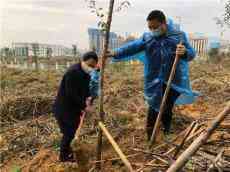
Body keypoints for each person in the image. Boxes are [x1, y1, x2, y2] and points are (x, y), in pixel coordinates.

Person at [107, 10, 197, 140]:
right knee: (153, 108)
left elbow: (192, 54)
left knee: (167, 106)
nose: (153, 30)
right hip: (153, 79)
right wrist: (115, 53)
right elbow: (132, 47)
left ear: (164, 24)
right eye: (150, 27)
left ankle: (166, 132)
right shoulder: (148, 37)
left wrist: (184, 52)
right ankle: (150, 136)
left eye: (155, 27)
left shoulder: (179, 36)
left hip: (172, 80)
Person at [53, 51, 99, 162]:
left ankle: (68, 152)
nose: (91, 68)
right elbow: (71, 94)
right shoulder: (72, 72)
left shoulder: (86, 73)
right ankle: (64, 157)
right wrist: (85, 106)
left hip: (73, 109)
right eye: (89, 65)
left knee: (72, 131)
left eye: (93, 66)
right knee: (69, 133)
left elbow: (85, 89)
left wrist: (88, 97)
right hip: (64, 109)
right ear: (83, 61)